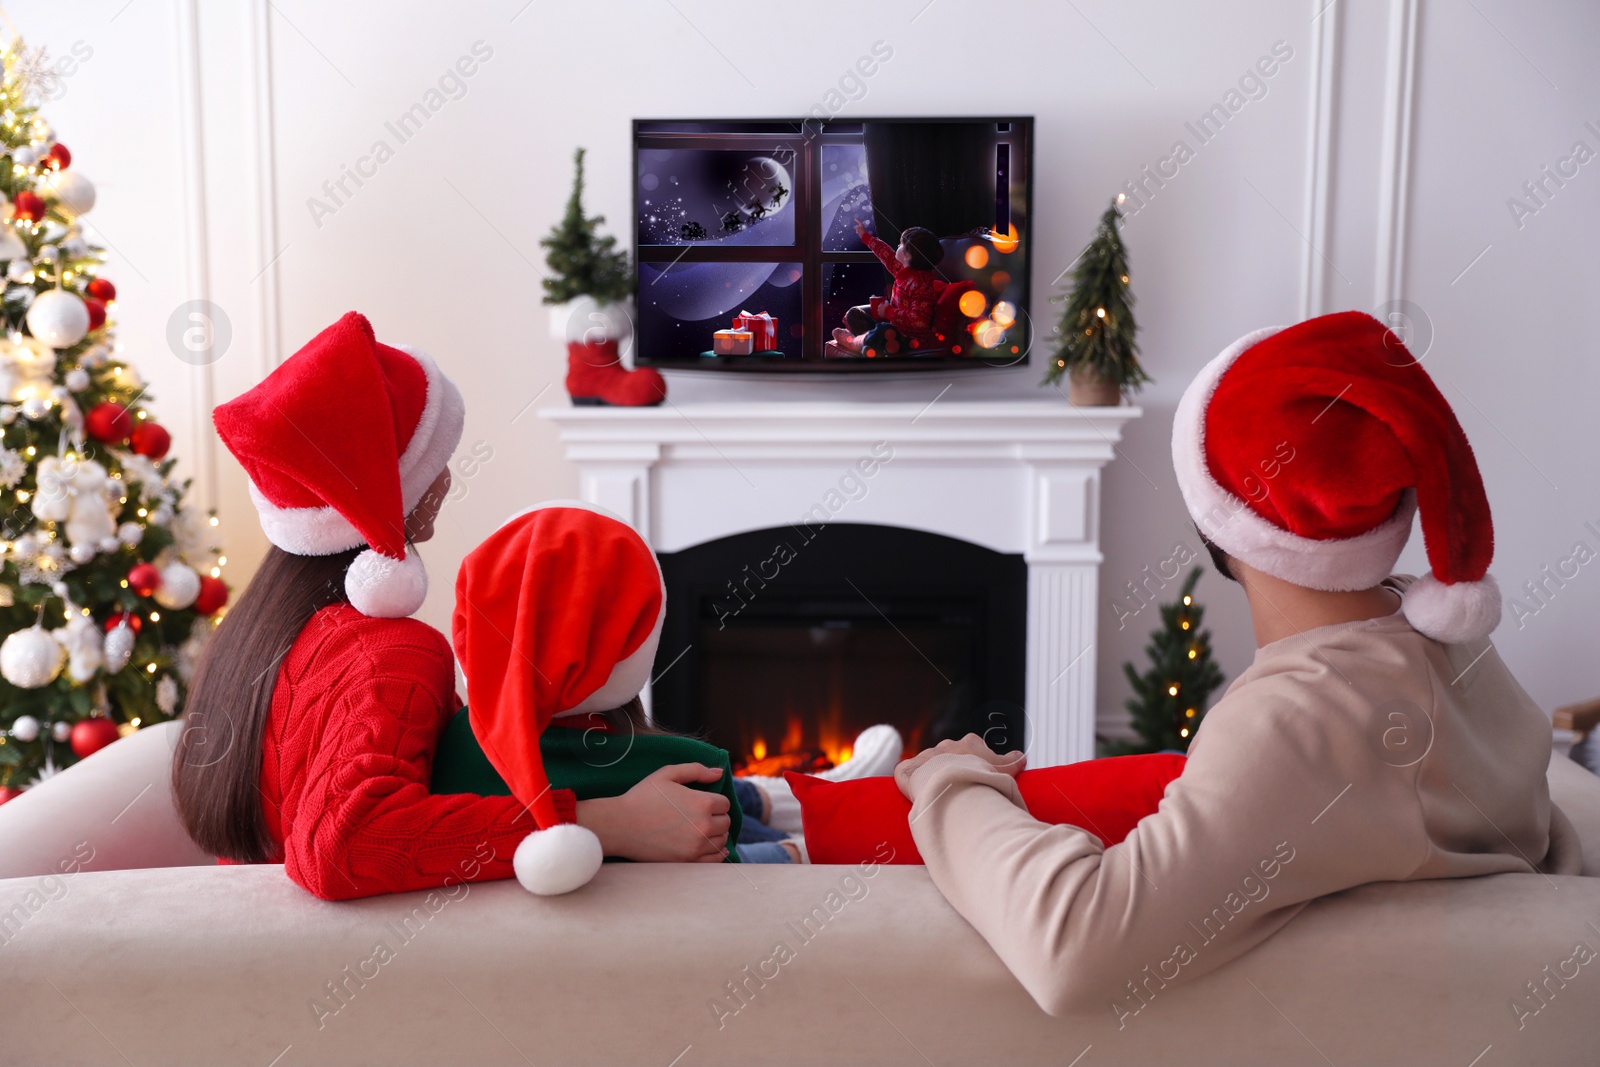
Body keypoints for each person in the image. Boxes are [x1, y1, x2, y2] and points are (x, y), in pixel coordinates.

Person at [892, 311, 1583, 1019]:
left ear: (1219, 521)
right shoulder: (1449, 637)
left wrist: (951, 780)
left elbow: (1075, 948)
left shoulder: (1294, 721)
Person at [171, 313, 743, 900]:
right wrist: (606, 822)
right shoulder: (394, 652)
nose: (446, 474)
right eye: (434, 456)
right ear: (394, 488)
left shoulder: (253, 633)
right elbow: (342, 847)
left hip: (255, 942)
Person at [433, 501, 820, 891]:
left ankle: (788, 800)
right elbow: (731, 886)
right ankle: (801, 845)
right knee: (738, 834)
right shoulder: (691, 766)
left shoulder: (448, 753)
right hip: (690, 857)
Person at [831, 219, 943, 354]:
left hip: (909, 340)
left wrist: (889, 312)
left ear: (908, 256)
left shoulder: (921, 284)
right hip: (892, 330)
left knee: (883, 329)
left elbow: (920, 322)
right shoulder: (902, 271)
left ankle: (856, 343)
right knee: (854, 314)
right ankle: (873, 345)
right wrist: (864, 236)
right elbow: (885, 254)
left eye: (901, 245)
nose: (897, 246)